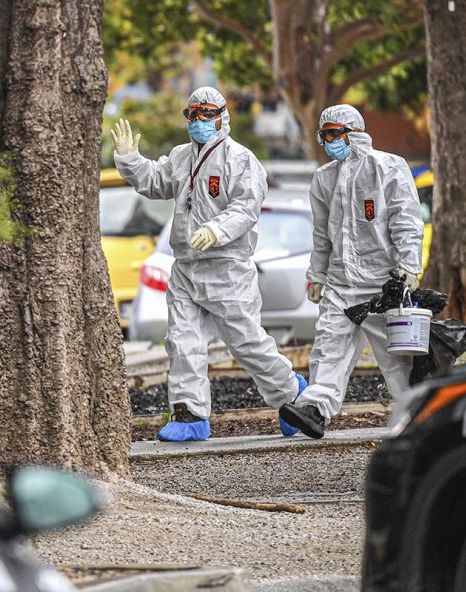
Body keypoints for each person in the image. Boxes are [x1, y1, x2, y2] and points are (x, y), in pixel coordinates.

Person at [111, 86, 306, 442]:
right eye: (192, 114)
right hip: (185, 265)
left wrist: (216, 230)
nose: (198, 121)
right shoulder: (181, 157)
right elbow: (156, 182)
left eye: (205, 113)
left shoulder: (241, 160)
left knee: (245, 342)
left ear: (221, 117)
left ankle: (290, 394)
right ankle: (190, 415)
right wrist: (131, 160)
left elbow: (247, 208)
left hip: (226, 266)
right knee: (182, 341)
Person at [279, 104, 424, 439]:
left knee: (397, 359)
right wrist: (317, 275)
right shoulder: (324, 178)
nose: (327, 141)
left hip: (385, 284)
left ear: (353, 133)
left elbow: (406, 220)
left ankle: (418, 418)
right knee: (329, 347)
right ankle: (314, 409)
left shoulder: (388, 168)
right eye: (323, 135)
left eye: (333, 134)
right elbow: (321, 235)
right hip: (342, 284)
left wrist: (408, 267)